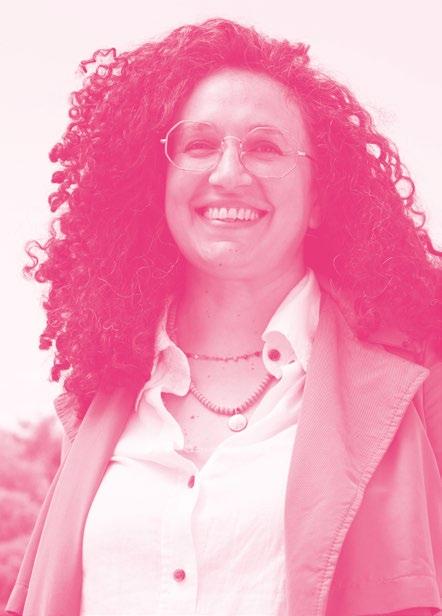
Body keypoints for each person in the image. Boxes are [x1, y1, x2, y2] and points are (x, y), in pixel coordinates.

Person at [6, 17, 441, 616]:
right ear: (156, 186)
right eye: (199, 145)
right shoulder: (102, 396)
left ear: (319, 199)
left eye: (265, 147)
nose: (229, 174)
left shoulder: (415, 381)